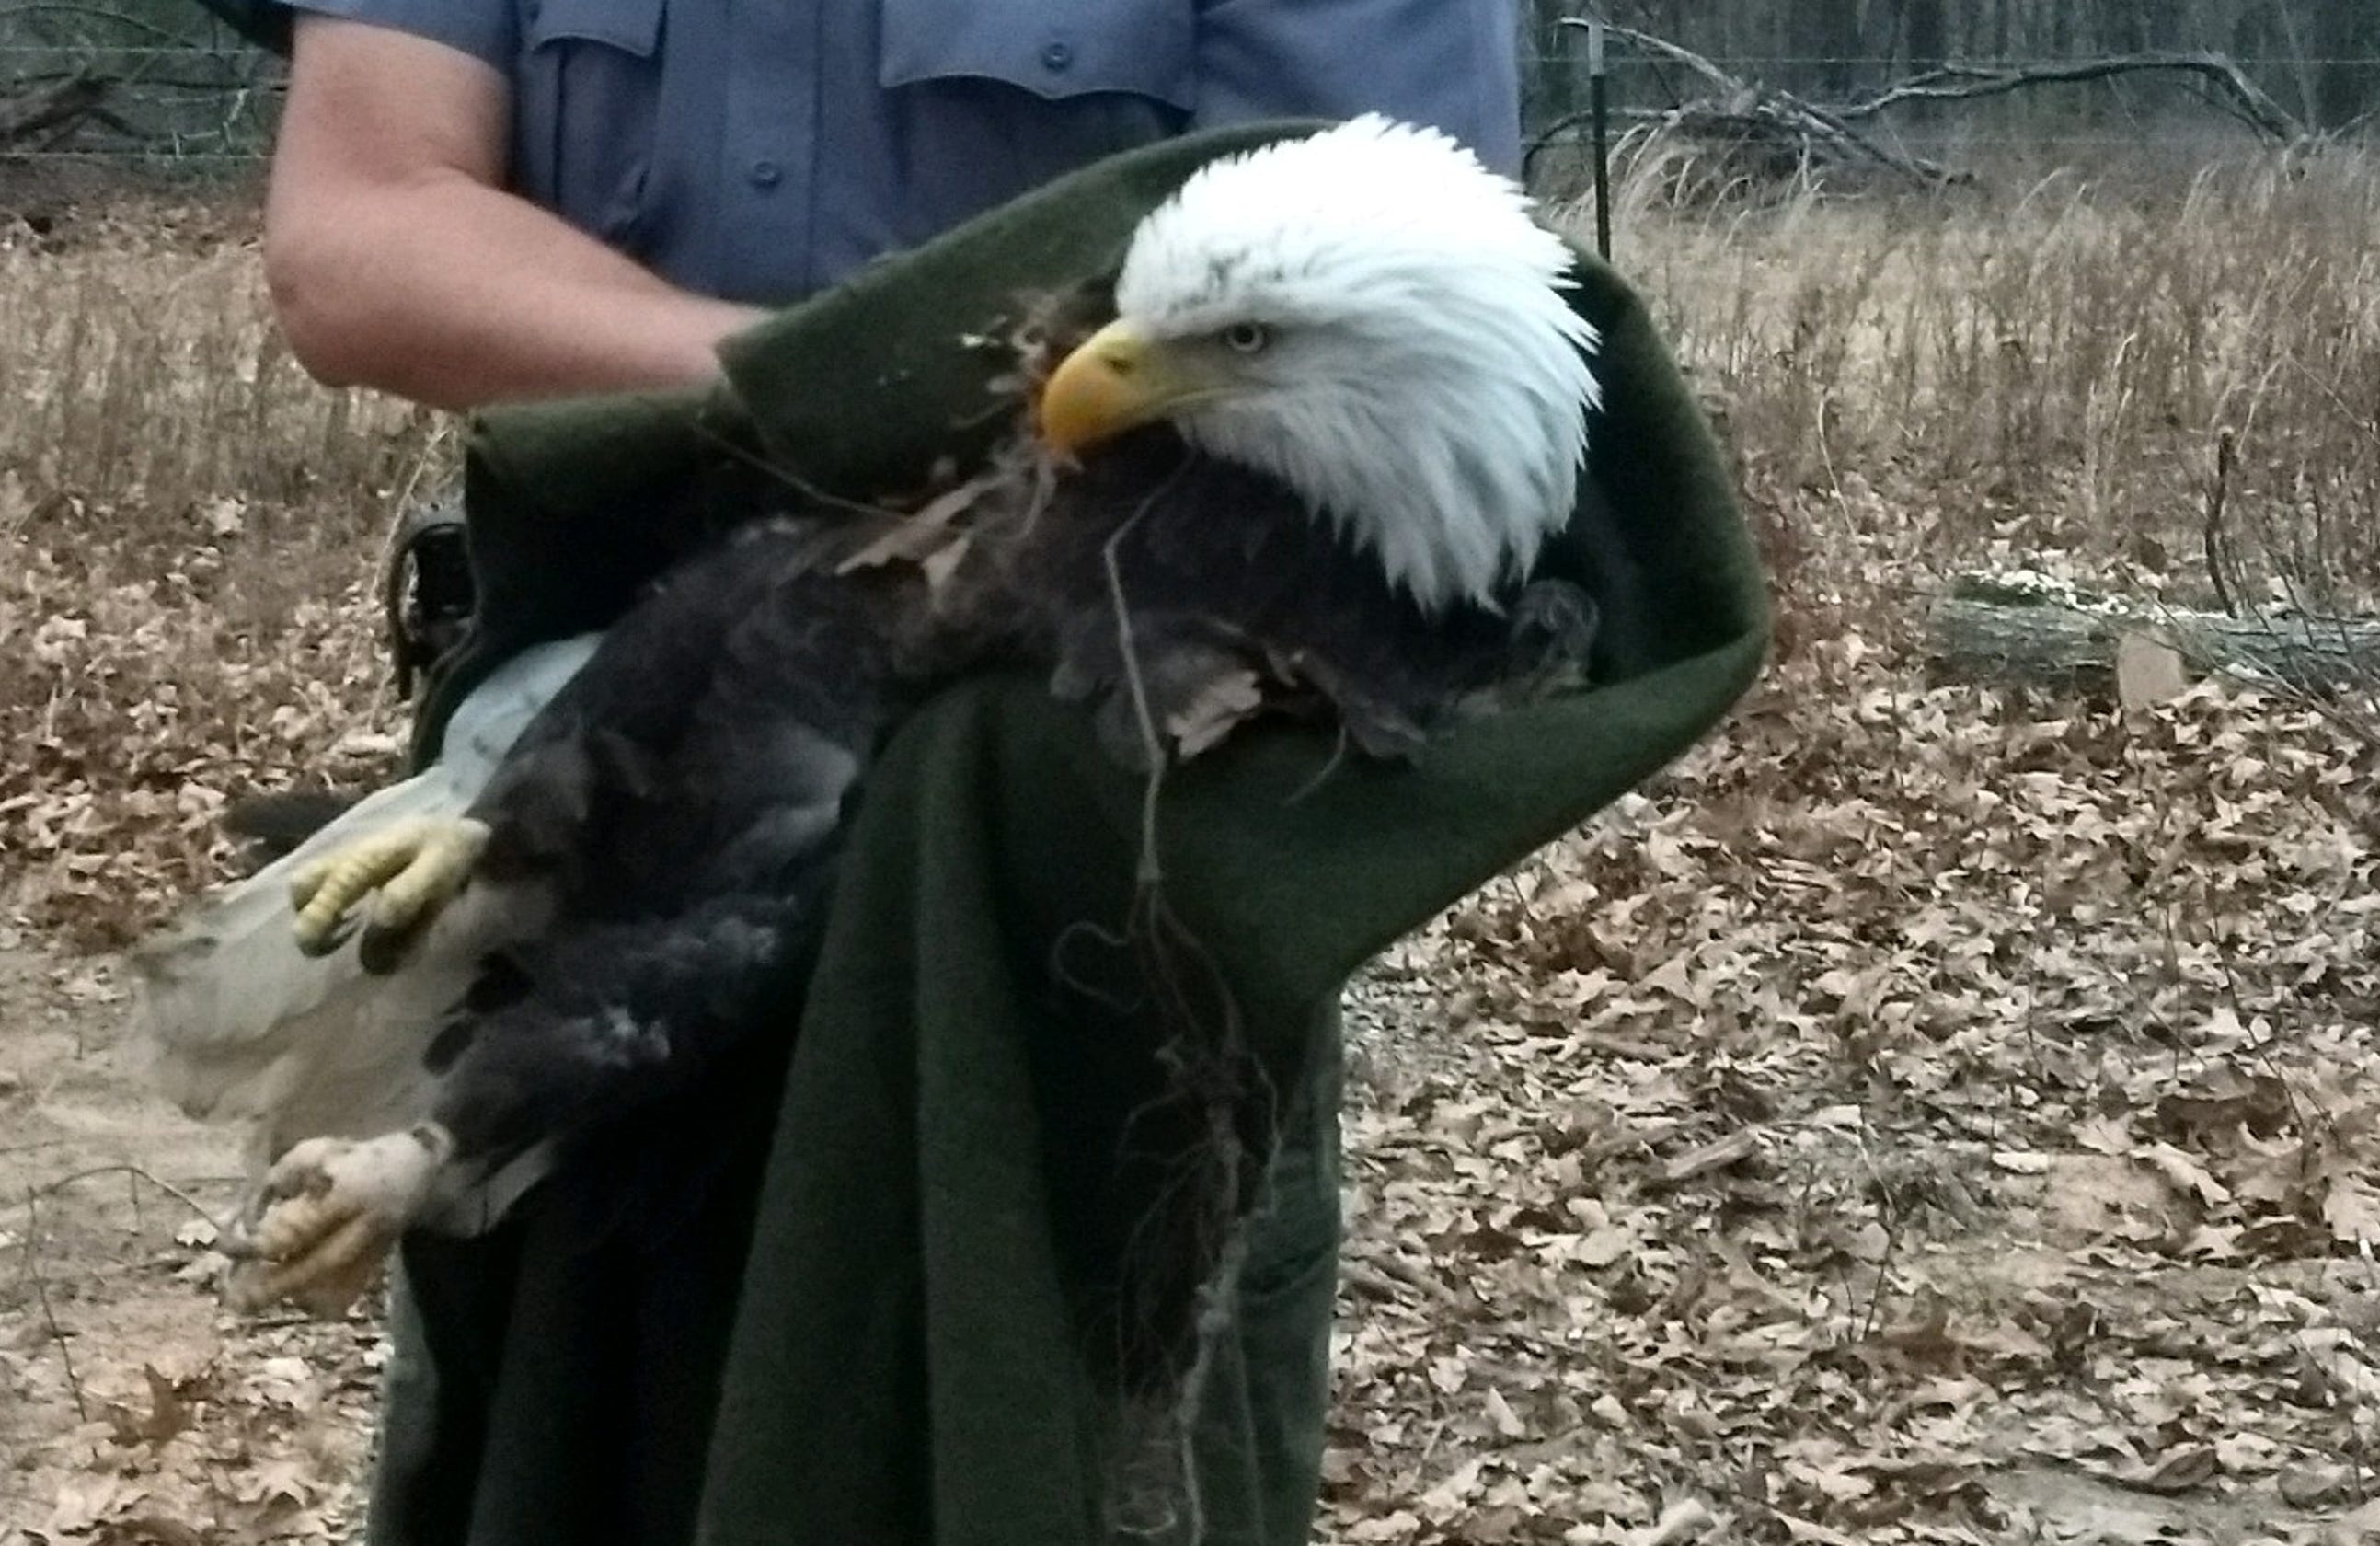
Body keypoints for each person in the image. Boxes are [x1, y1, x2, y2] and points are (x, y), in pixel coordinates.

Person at [233, 3, 1526, 1541]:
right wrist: (864, 411)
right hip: (577, 839)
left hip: (1088, 940)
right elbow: (360, 244)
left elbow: (1415, 317)